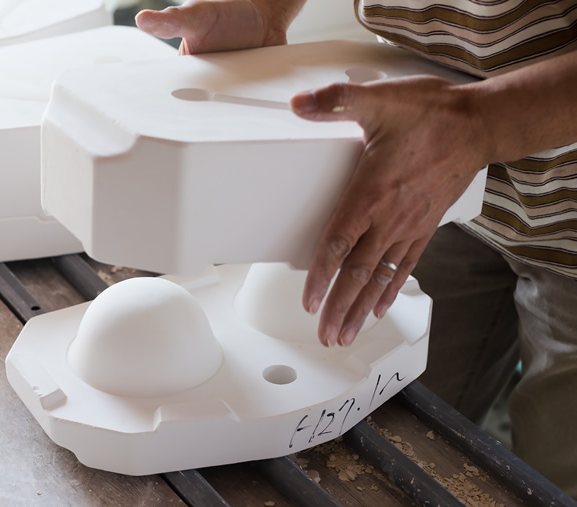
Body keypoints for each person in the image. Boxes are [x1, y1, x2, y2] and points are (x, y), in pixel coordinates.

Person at [136, 0, 577, 496]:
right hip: (421, 176)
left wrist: (478, 124)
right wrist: (266, 9)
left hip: (561, 210)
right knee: (398, 436)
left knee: (557, 475)